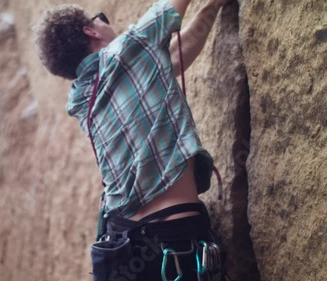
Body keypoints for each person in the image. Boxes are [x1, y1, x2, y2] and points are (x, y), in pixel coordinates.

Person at [35, 0, 230, 280]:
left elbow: (173, 57)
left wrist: (211, 8)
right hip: (175, 240)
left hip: (124, 244)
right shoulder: (132, 47)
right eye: (100, 19)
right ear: (90, 30)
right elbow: (172, 8)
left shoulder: (82, 99)